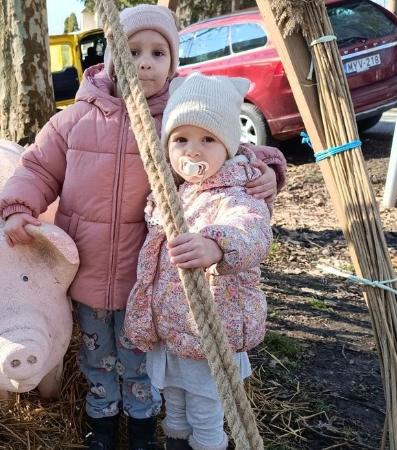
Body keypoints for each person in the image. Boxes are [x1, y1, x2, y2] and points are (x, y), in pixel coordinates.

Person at [0, 5, 284, 450]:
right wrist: (19, 205)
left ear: (173, 64)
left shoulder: (177, 118)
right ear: (112, 60)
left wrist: (269, 170)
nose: (145, 63)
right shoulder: (76, 120)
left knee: (143, 361)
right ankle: (102, 426)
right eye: (132, 52)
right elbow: (37, 168)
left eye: (157, 53)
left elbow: (230, 148)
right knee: (95, 355)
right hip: (86, 267)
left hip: (144, 276)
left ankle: (144, 429)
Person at [125, 72, 285, 450]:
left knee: (206, 410)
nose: (193, 151)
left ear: (228, 145)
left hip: (210, 327)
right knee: (175, 405)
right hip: (174, 326)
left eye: (208, 139)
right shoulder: (171, 194)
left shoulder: (237, 192)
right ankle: (177, 443)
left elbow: (252, 232)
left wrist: (217, 246)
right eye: (181, 140)